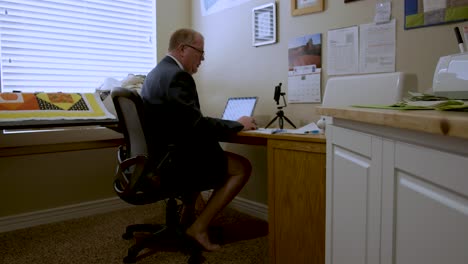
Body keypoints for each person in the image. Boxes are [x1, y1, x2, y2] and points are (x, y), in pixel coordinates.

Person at [140, 28, 257, 251]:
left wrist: (226, 124)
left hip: (160, 159)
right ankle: (199, 227)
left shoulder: (155, 73)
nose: (202, 59)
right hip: (174, 163)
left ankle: (187, 219)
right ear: (183, 49)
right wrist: (238, 124)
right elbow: (196, 126)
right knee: (242, 167)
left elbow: (184, 124)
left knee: (204, 151)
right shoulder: (177, 76)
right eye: (200, 52)